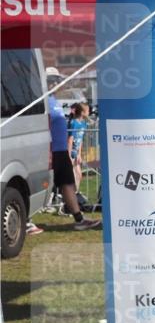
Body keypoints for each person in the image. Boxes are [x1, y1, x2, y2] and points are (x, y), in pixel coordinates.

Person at [48, 94, 100, 230]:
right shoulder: (40, 100)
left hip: (61, 151)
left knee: (68, 183)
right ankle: (28, 219)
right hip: (51, 150)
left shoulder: (53, 100)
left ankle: (79, 220)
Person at [67, 102, 90, 191]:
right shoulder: (73, 123)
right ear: (82, 112)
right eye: (87, 110)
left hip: (76, 153)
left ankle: (75, 194)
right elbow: (70, 140)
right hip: (70, 152)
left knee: (79, 175)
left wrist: (79, 154)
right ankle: (70, 196)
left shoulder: (83, 123)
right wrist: (68, 155)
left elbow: (80, 141)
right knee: (73, 177)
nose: (89, 112)